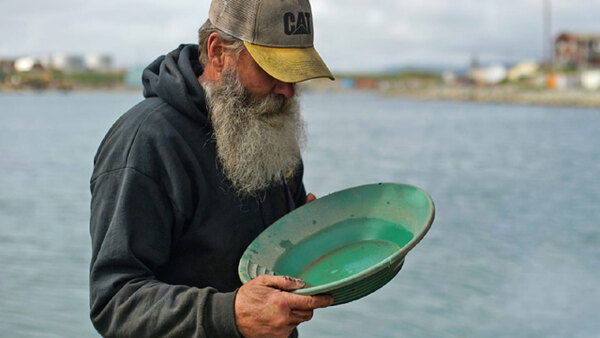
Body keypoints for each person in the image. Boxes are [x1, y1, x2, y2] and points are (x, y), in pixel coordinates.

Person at [89, 0, 335, 337]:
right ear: (219, 52)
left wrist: (308, 237)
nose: (288, 91)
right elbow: (115, 301)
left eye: (295, 74)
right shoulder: (146, 142)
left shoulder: (269, 121)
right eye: (273, 69)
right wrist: (228, 314)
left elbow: (270, 251)